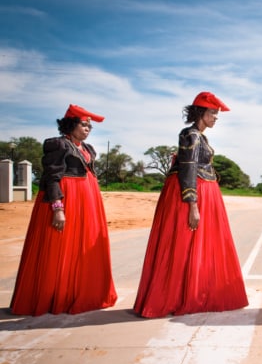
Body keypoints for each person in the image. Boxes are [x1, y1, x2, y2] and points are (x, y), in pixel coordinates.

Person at [134, 91, 248, 318]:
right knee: (183, 245)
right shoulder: (191, 135)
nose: (216, 117)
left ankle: (196, 291)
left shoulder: (199, 136)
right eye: (213, 113)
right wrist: (192, 204)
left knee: (197, 246)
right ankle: (178, 296)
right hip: (192, 195)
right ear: (201, 112)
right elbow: (187, 169)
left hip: (204, 192)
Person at [10, 105, 117, 315]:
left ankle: (81, 293)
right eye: (83, 124)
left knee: (83, 247)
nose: (87, 129)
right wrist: (58, 208)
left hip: (88, 204)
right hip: (67, 201)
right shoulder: (57, 144)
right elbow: (52, 177)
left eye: (90, 127)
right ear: (71, 124)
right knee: (60, 248)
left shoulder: (88, 149)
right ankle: (56, 297)